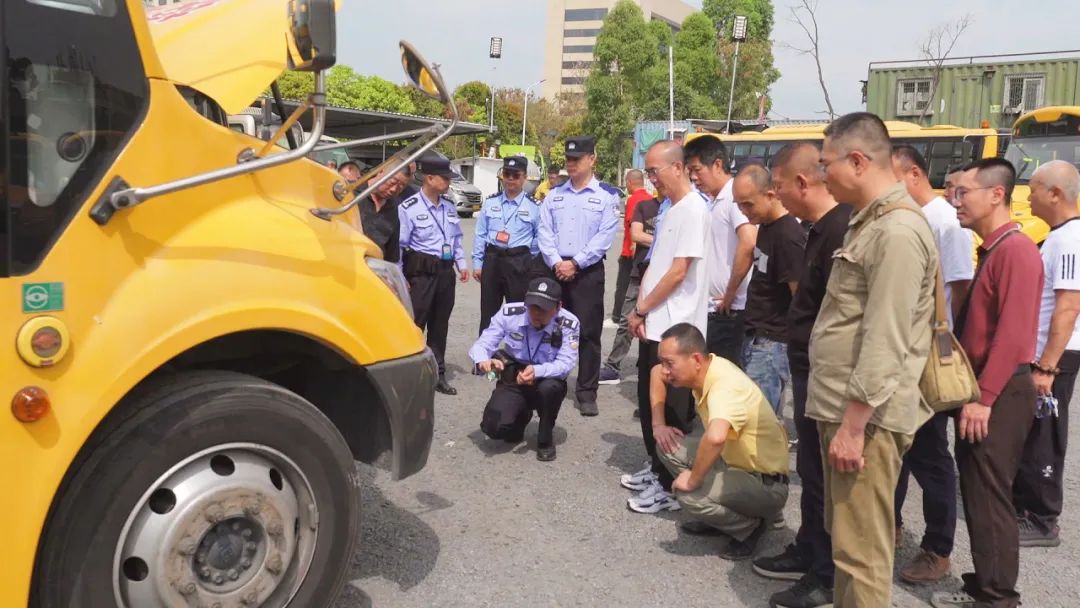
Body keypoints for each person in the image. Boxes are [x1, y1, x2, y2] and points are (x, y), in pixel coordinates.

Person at [809, 112, 937, 608]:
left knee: (861, 554)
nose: (822, 175)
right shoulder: (872, 223)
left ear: (858, 161)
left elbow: (886, 336)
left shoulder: (896, 232)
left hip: (867, 419)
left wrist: (854, 425)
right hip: (847, 410)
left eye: (827, 164)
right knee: (847, 543)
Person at [931, 158, 1043, 608]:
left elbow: (1013, 337)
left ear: (997, 195)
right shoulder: (995, 248)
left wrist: (985, 398)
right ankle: (986, 584)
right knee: (978, 492)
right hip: (987, 389)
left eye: (964, 193)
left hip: (1001, 391)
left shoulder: (1016, 251)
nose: (955, 201)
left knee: (990, 496)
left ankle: (998, 597)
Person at [752, 143, 851, 608]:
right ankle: (810, 549)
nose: (775, 194)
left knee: (825, 479)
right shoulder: (817, 229)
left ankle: (826, 574)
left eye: (778, 186)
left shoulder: (841, 229)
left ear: (801, 183)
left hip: (827, 375)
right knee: (811, 471)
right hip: (808, 367)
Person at [888, 145, 975, 584]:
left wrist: (947, 348)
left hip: (929, 356)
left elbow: (960, 291)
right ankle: (891, 525)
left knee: (930, 454)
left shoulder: (945, 221)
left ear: (914, 174)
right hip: (904, 352)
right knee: (897, 448)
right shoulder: (910, 217)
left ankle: (938, 548)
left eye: (891, 178)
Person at [623, 140, 711, 515]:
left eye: (655, 171)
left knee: (672, 411)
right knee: (650, 402)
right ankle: (657, 466)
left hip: (676, 327)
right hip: (656, 324)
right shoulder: (670, 208)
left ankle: (669, 482)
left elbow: (678, 273)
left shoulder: (693, 209)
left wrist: (641, 308)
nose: (651, 179)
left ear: (678, 168)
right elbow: (656, 264)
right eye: (648, 171)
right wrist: (641, 312)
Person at [652, 323, 789, 560]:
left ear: (696, 359)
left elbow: (716, 438)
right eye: (663, 362)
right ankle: (722, 514)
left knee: (689, 496)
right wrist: (658, 426)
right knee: (667, 447)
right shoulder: (706, 368)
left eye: (669, 363)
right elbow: (656, 372)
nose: (665, 370)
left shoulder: (725, 386)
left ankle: (750, 527)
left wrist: (693, 479)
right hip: (735, 464)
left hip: (765, 483)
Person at [1013, 160, 1080, 548]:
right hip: (1043, 355)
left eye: (1034, 188)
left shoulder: (1070, 240)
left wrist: (1047, 367)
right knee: (1031, 432)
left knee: (1045, 435)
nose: (1028, 196)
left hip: (1056, 356)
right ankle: (1025, 506)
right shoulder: (1058, 236)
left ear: (1055, 194)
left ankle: (1042, 518)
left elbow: (1069, 306)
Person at [537, 136, 620, 416]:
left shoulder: (606, 196)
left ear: (592, 159)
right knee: (551, 329)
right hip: (555, 269)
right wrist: (557, 262)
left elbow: (604, 238)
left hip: (587, 272)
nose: (571, 164)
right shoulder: (554, 195)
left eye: (577, 159)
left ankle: (586, 392)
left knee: (588, 333)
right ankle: (551, 383)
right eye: (568, 159)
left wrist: (575, 263)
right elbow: (544, 232)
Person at [469, 277, 580, 462]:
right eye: (533, 306)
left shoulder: (569, 323)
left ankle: (545, 438)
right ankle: (521, 415)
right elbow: (482, 344)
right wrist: (483, 361)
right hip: (515, 374)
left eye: (543, 309)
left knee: (550, 388)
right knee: (493, 428)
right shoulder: (509, 313)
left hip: (546, 376)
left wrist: (536, 371)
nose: (536, 313)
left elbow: (566, 363)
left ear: (558, 307)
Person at [732, 164, 805, 416]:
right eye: (738, 205)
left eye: (748, 204)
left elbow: (800, 297)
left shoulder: (788, 235)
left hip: (772, 344)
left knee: (759, 422)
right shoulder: (765, 225)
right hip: (756, 335)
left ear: (770, 194)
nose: (744, 212)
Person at [398, 152, 470, 396]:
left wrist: (461, 264)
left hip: (445, 273)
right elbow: (400, 246)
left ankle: (437, 374)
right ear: (429, 178)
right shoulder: (409, 208)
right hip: (420, 274)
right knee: (415, 325)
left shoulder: (448, 206)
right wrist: (400, 277)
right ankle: (408, 375)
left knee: (440, 326)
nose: (448, 182)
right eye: (444, 178)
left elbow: (456, 238)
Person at [684, 136, 756, 367]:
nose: (693, 177)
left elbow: (749, 241)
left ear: (717, 164)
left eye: (697, 170)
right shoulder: (715, 201)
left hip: (730, 311)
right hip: (717, 309)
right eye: (690, 171)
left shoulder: (733, 197)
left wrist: (729, 293)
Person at [601, 180, 662, 385]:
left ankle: (651, 364)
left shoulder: (681, 208)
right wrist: (666, 241)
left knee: (659, 324)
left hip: (665, 275)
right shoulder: (645, 206)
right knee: (628, 320)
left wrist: (651, 239)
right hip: (640, 272)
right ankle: (613, 366)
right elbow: (636, 234)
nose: (658, 181)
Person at [472, 156, 541, 333]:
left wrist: (528, 260)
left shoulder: (534, 206)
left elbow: (538, 237)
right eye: (507, 174)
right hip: (493, 260)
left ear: (524, 178)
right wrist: (478, 263)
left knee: (518, 314)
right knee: (488, 313)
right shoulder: (491, 202)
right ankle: (485, 349)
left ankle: (516, 349)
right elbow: (481, 234)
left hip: (519, 262)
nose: (510, 179)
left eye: (515, 175)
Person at [359, 169, 407, 263]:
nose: (394, 189)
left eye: (401, 187)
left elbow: (391, 256)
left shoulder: (394, 209)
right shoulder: (352, 194)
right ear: (381, 172)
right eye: (392, 182)